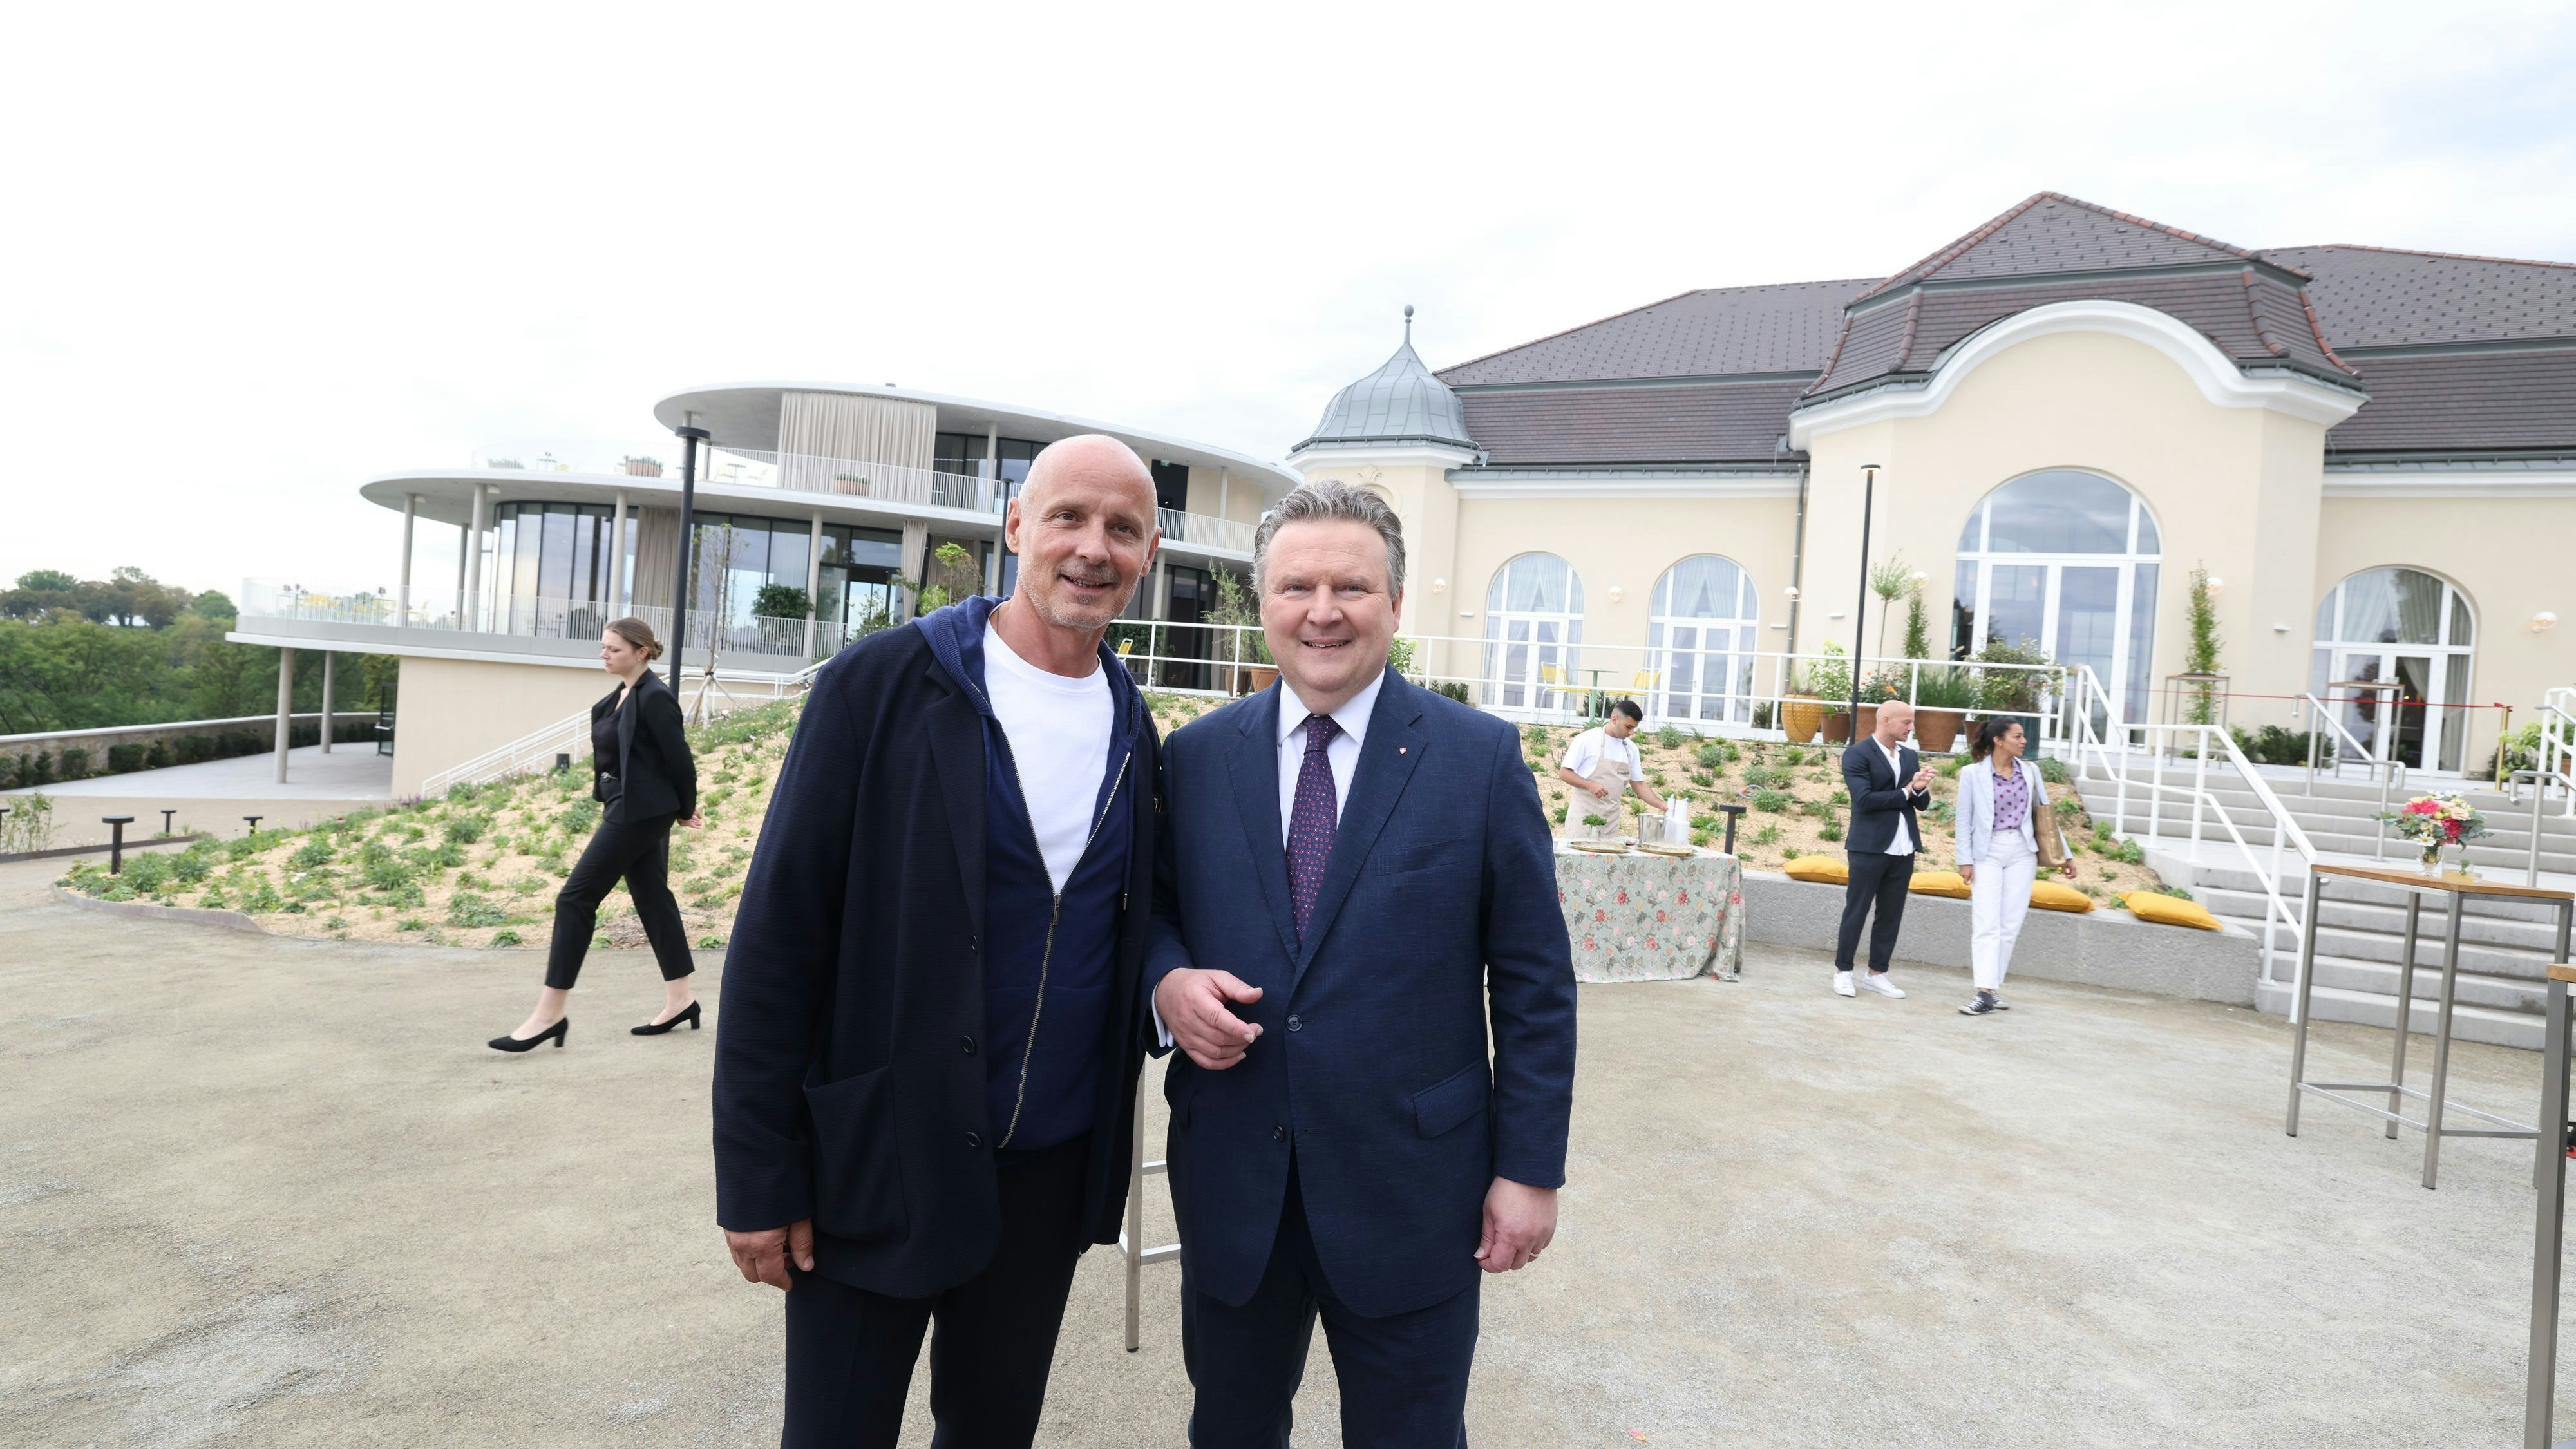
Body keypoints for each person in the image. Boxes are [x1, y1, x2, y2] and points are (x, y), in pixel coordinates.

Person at [712, 435, 1170, 1449]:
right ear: (1014, 527)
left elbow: (1142, 931)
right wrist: (758, 1177)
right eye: (1068, 517)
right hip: (876, 1164)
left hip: (1043, 1185)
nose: (1094, 548)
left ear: (1147, 556)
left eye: (1123, 529)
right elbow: (779, 940)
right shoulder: (881, 687)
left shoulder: (1139, 734)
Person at [1148, 480, 1577, 1448]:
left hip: (1413, 1190)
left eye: (1352, 586)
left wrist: (1529, 1169)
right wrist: (1166, 982)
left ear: (1395, 601)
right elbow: (1153, 917)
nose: (1323, 611)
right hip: (1234, 1180)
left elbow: (1534, 984)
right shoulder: (1196, 758)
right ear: (1262, 602)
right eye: (1296, 586)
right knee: (1230, 1426)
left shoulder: (1478, 758)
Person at [488, 616, 701, 1052]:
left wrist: (685, 809)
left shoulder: (656, 698)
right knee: (652, 897)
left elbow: (680, 759)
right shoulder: (618, 698)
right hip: (626, 805)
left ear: (641, 651)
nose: (604, 655)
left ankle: (550, 1014)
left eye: (614, 649)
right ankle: (682, 1000)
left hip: (642, 812)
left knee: (575, 898)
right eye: (603, 648)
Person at [1954, 717, 2066, 1016]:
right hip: (1987, 851)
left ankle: (1992, 988)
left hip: (2022, 850)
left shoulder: (2030, 771)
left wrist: (2064, 856)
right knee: (1986, 922)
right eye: (2017, 736)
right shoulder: (1972, 774)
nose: (2024, 741)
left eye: (2023, 736)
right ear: (1998, 740)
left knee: (2010, 924)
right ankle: (1984, 991)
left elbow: (2046, 816)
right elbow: (1963, 820)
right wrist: (1964, 860)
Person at [1835, 697, 1933, 1000]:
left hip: (1904, 847)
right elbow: (1864, 800)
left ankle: (1878, 974)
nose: (1911, 727)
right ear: (1886, 720)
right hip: (1869, 847)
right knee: (1857, 910)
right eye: (1907, 721)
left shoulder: (1910, 756)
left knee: (1891, 914)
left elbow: (1922, 805)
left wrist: (1919, 788)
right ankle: (1843, 972)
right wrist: (1906, 790)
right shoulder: (1857, 754)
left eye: (1912, 721)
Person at [1555, 698, 1668, 840]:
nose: (1631, 733)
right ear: (1615, 719)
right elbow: (1564, 773)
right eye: (1629, 727)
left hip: (1610, 825)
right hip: (1582, 821)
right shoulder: (1587, 739)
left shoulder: (1631, 749)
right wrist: (1589, 784)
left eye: (1634, 728)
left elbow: (1639, 784)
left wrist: (1662, 805)